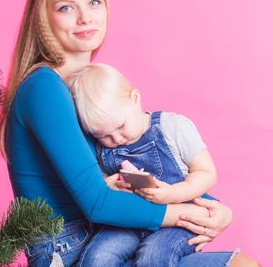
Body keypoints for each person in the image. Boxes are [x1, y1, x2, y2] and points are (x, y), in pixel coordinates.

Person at [0, 0, 259, 266]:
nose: (84, 18)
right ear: (43, 17)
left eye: (94, 2)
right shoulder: (44, 89)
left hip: (109, 234)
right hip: (70, 249)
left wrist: (214, 209)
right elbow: (97, 202)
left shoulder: (88, 88)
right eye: (66, 7)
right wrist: (190, 215)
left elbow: (132, 175)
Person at [67, 63, 219, 266]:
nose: (116, 138)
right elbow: (101, 188)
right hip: (131, 219)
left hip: (180, 219)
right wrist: (110, 185)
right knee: (98, 256)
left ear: (135, 99)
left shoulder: (172, 127)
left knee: (153, 256)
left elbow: (207, 173)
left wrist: (174, 192)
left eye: (120, 126)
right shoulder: (102, 148)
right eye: (103, 135)